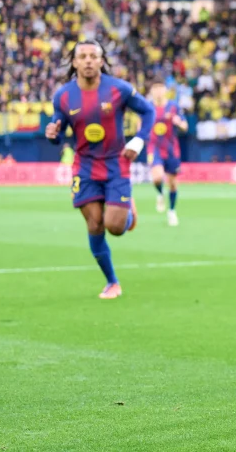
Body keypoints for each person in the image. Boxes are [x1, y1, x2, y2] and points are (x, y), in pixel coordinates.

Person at [46, 40, 155, 299]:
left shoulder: (119, 89)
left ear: (101, 60)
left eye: (93, 56)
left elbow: (148, 111)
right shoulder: (62, 96)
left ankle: (128, 213)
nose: (87, 61)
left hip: (116, 164)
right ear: (74, 62)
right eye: (82, 56)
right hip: (84, 167)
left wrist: (139, 140)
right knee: (95, 224)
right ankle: (112, 282)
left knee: (115, 228)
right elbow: (57, 131)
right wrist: (52, 134)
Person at [147, 82, 188, 227]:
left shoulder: (173, 106)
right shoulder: (147, 106)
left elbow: (185, 126)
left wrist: (178, 122)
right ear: (152, 91)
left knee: (173, 184)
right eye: (155, 89)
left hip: (171, 149)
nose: (158, 92)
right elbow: (141, 125)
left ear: (165, 91)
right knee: (157, 177)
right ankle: (159, 194)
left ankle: (171, 211)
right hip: (154, 147)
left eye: (160, 89)